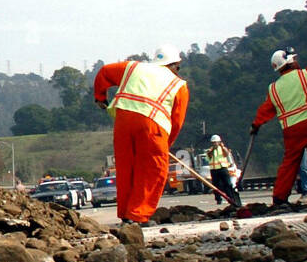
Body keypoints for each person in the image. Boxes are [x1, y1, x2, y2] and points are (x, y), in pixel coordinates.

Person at [92, 45, 190, 225]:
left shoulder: (133, 67)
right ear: (174, 65)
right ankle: (137, 215)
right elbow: (176, 121)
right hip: (152, 124)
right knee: (154, 170)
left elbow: (105, 72)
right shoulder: (179, 85)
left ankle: (125, 214)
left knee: (126, 167)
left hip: (123, 121)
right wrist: (165, 145)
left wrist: (100, 96)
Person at [251, 42, 307, 210]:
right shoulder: (306, 75)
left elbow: (265, 110)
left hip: (292, 129)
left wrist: (256, 125)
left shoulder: (274, 88)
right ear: (290, 62)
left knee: (290, 162)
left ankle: (279, 198)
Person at [205, 134, 241, 205]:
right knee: (216, 185)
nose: (215, 144)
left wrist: (223, 147)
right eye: (213, 142)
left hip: (223, 168)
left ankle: (231, 197)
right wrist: (212, 151)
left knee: (227, 183)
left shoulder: (223, 149)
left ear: (219, 142)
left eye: (216, 142)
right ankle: (218, 199)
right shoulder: (209, 150)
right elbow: (208, 157)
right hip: (214, 170)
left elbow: (226, 154)